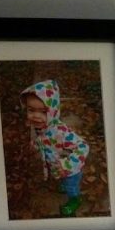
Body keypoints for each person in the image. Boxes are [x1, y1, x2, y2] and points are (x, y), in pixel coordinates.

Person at [20, 79, 90, 217]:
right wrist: (35, 145)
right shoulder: (43, 127)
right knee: (63, 181)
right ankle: (65, 185)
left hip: (71, 170)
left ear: (53, 111)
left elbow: (84, 146)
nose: (36, 116)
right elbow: (44, 139)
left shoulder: (61, 132)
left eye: (43, 111)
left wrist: (67, 165)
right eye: (31, 110)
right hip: (58, 165)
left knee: (71, 186)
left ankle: (75, 199)